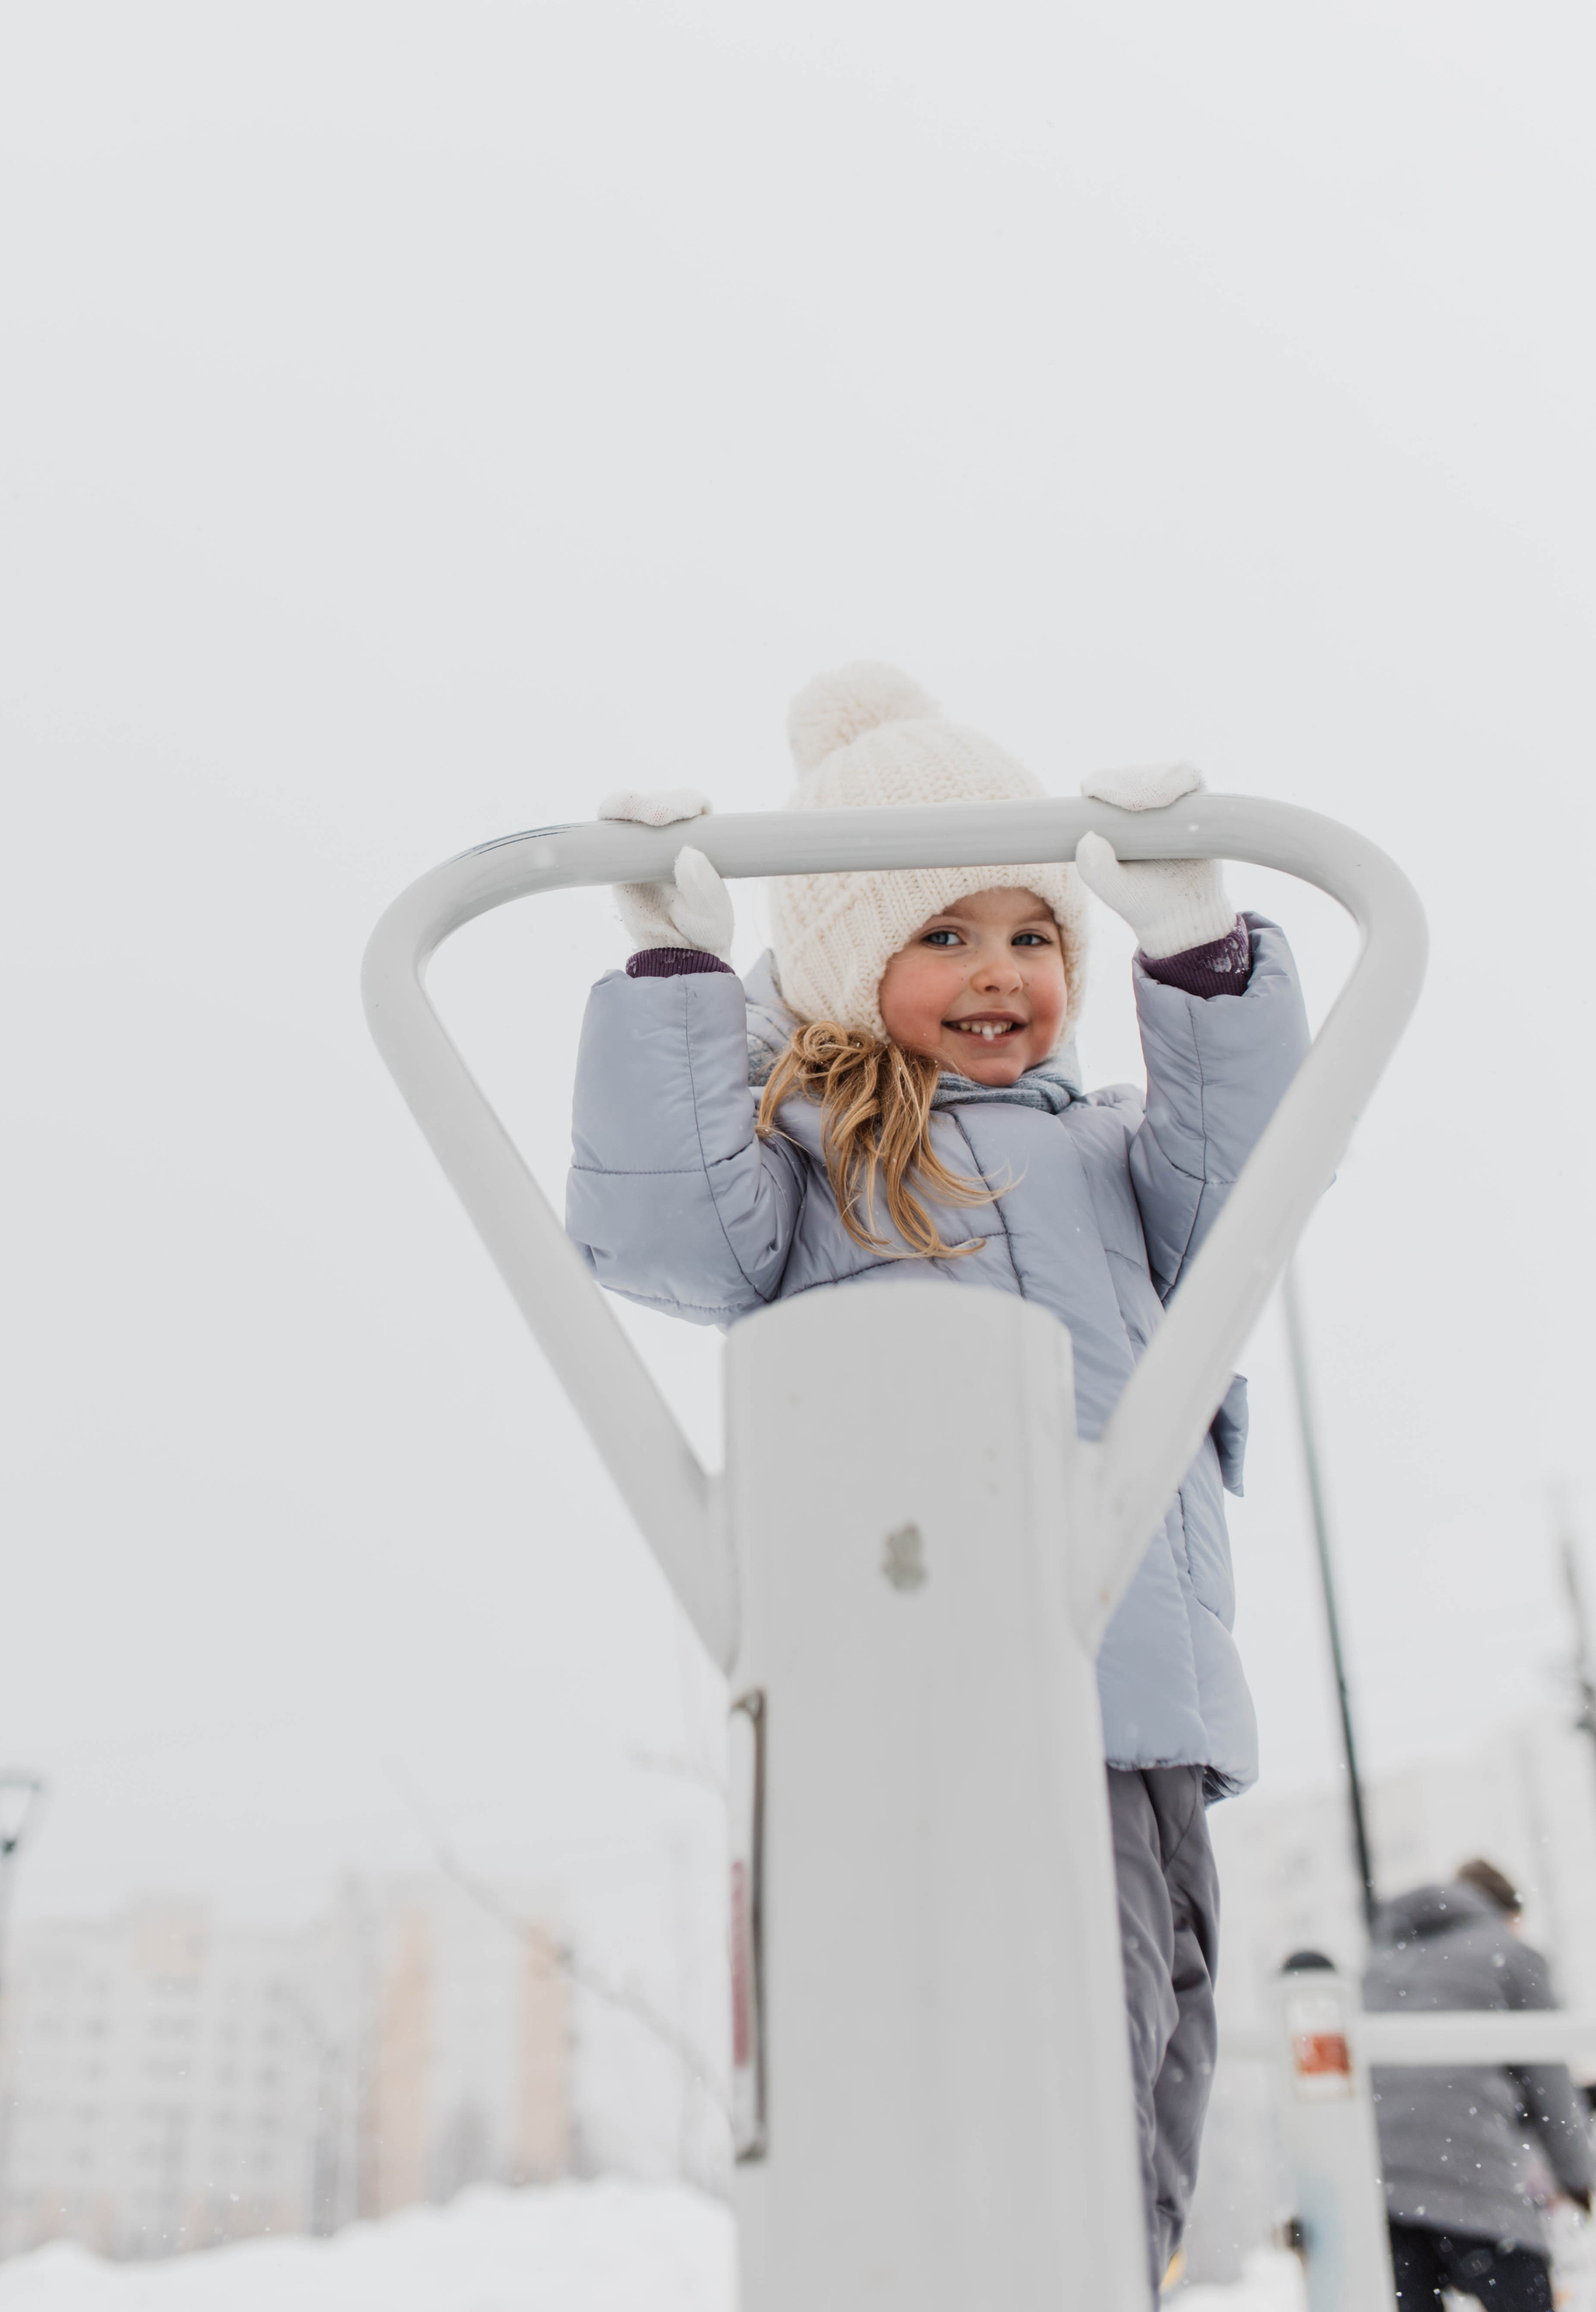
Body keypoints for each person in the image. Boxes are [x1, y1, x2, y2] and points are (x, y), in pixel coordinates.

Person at [565, 660, 1310, 2280]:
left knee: (1145, 2094)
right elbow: (663, 1223)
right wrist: (674, 966)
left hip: (1141, 1716)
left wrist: (1198, 952)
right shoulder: (814, 1155)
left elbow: (1257, 1182)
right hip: (937, 1709)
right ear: (844, 960)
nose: (998, 972)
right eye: (941, 933)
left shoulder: (1121, 1154)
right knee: (1022, 2109)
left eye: (1031, 932)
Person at [1366, 1857, 1593, 2311]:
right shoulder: (1510, 1954)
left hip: (1384, 2187)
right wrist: (1578, 2178)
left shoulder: (1383, 1962)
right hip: (1473, 2176)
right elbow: (1550, 2086)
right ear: (1505, 1913)